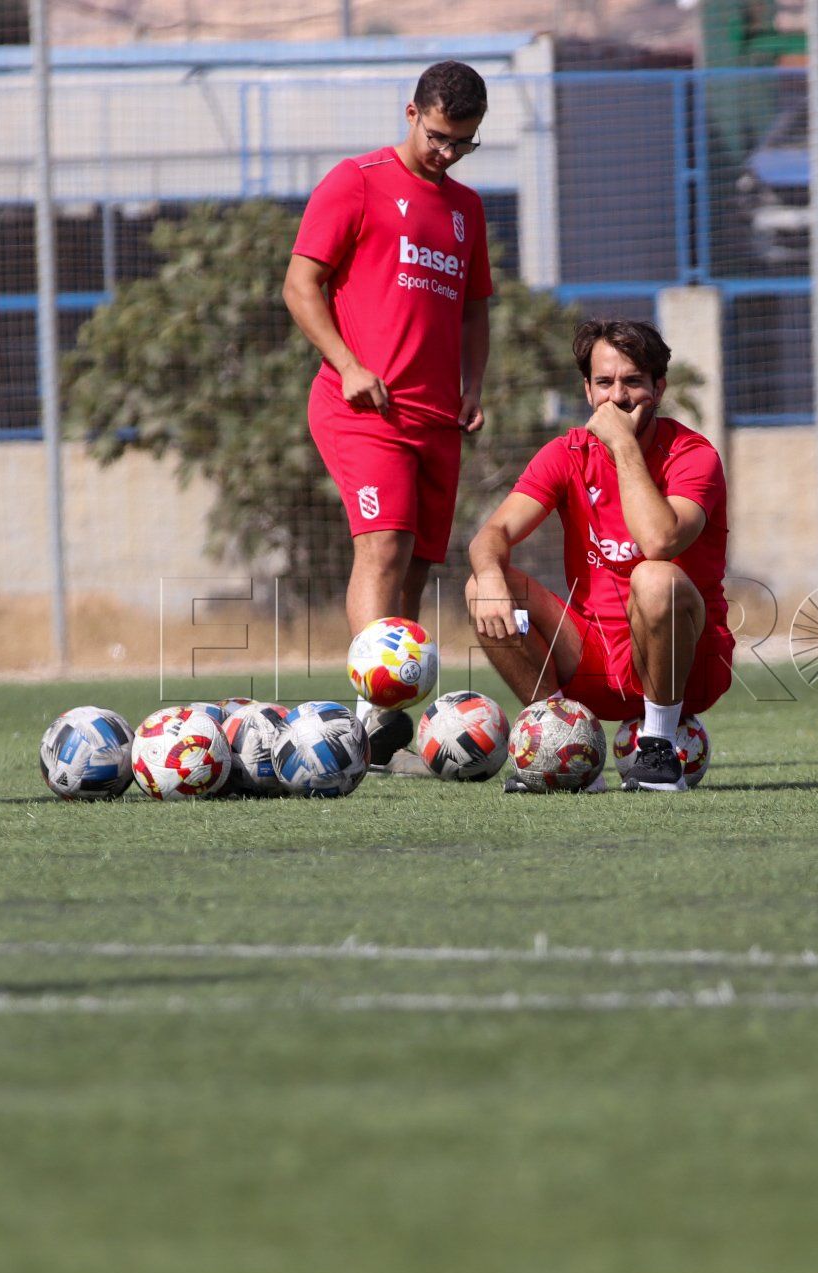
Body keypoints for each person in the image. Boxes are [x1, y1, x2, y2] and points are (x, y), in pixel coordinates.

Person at [283, 60, 493, 766]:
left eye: (463, 143)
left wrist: (472, 385)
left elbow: (475, 308)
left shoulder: (466, 208)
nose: (447, 153)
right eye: (438, 137)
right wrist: (348, 365)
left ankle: (384, 722)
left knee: (417, 569)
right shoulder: (357, 181)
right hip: (362, 409)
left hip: (439, 418)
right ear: (410, 113)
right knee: (383, 545)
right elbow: (300, 284)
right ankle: (369, 720)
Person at [467, 319, 734, 793]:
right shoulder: (566, 453)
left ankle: (656, 747)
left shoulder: (695, 456)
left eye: (632, 381)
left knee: (654, 577)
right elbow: (494, 533)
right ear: (587, 391)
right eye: (605, 382)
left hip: (687, 664)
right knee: (482, 585)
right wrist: (488, 575)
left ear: (659, 387)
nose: (617, 397)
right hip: (593, 660)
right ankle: (559, 743)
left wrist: (623, 446)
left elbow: (659, 541)